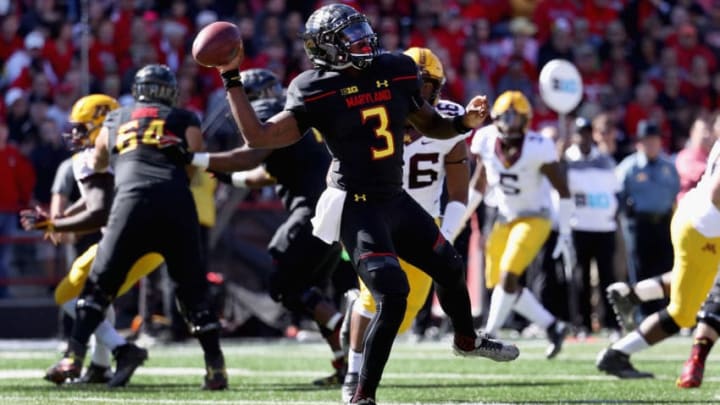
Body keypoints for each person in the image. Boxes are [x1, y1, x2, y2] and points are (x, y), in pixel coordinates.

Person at [188, 5, 518, 404]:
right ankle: (362, 394)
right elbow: (259, 137)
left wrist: (464, 123)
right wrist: (231, 76)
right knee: (392, 296)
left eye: (362, 29)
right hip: (356, 206)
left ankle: (466, 339)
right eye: (350, 35)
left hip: (395, 198)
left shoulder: (395, 69)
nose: (363, 39)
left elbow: (429, 122)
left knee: (448, 265)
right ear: (327, 48)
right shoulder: (315, 87)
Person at [41, 64, 227, 390]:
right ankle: (215, 370)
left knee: (98, 287)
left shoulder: (116, 118)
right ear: (169, 92)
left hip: (131, 204)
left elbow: (98, 161)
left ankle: (73, 356)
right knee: (194, 295)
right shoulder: (185, 117)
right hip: (176, 205)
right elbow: (195, 163)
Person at [192, 67, 350, 386]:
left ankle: (347, 330)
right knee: (306, 292)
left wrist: (196, 158)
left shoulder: (268, 114)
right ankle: (344, 362)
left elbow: (250, 157)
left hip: (313, 210)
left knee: (284, 284)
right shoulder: (293, 119)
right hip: (332, 210)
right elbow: (264, 173)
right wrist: (226, 175)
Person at [341, 47, 472, 403]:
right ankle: (353, 373)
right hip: (374, 212)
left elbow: (460, 191)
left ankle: (356, 334)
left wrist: (445, 235)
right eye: (411, 82)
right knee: (376, 298)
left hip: (422, 221)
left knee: (407, 310)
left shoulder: (448, 119)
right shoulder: (373, 112)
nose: (417, 90)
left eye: (425, 84)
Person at [22, 94, 167, 385]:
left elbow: (99, 212)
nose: (74, 134)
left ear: (102, 124)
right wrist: (60, 221)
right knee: (100, 298)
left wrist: (54, 222)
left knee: (67, 294)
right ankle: (100, 367)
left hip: (128, 239)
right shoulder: (133, 149)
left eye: (82, 127)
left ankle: (122, 350)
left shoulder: (91, 157)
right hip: (157, 238)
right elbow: (95, 201)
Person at [596, 135, 720, 380]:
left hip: (694, 218)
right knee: (684, 312)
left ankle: (635, 294)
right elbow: (717, 193)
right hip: (706, 229)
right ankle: (617, 353)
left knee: (702, 280)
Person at [465, 91, 573, 359]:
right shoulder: (486, 139)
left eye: (515, 117)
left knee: (508, 275)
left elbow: (563, 190)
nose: (509, 123)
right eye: (505, 117)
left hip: (535, 216)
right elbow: (479, 185)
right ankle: (552, 325)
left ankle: (488, 334)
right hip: (503, 216)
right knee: (500, 282)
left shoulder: (539, 146)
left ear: (526, 120)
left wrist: (566, 232)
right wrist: (458, 220)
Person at [615, 120, 679, 317]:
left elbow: (674, 193)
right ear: (639, 143)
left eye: (654, 140)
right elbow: (619, 196)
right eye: (647, 141)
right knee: (641, 269)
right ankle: (644, 314)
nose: (651, 144)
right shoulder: (629, 167)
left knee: (666, 267)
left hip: (664, 223)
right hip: (639, 224)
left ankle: (667, 313)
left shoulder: (669, 166)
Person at [565, 117, 621, 333]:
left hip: (604, 227)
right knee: (581, 278)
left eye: (588, 133)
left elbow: (614, 192)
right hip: (579, 226)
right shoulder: (567, 161)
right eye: (581, 133)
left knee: (608, 277)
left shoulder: (605, 160)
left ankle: (611, 323)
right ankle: (583, 324)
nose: (585, 138)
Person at [0, 120, 35, 299]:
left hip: (9, 210)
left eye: (2, 129)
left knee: (5, 253)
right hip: (4, 209)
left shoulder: (13, 153)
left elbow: (24, 179)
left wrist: (28, 199)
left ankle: (3, 291)